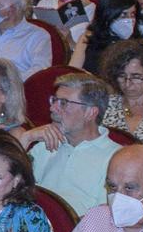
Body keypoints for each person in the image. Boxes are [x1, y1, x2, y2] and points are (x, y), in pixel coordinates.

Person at [20, 71, 117, 218]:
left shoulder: (115, 159)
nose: (52, 109)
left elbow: (103, 220)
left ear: (90, 113)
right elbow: (7, 187)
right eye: (54, 100)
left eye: (64, 103)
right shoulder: (45, 144)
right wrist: (26, 138)